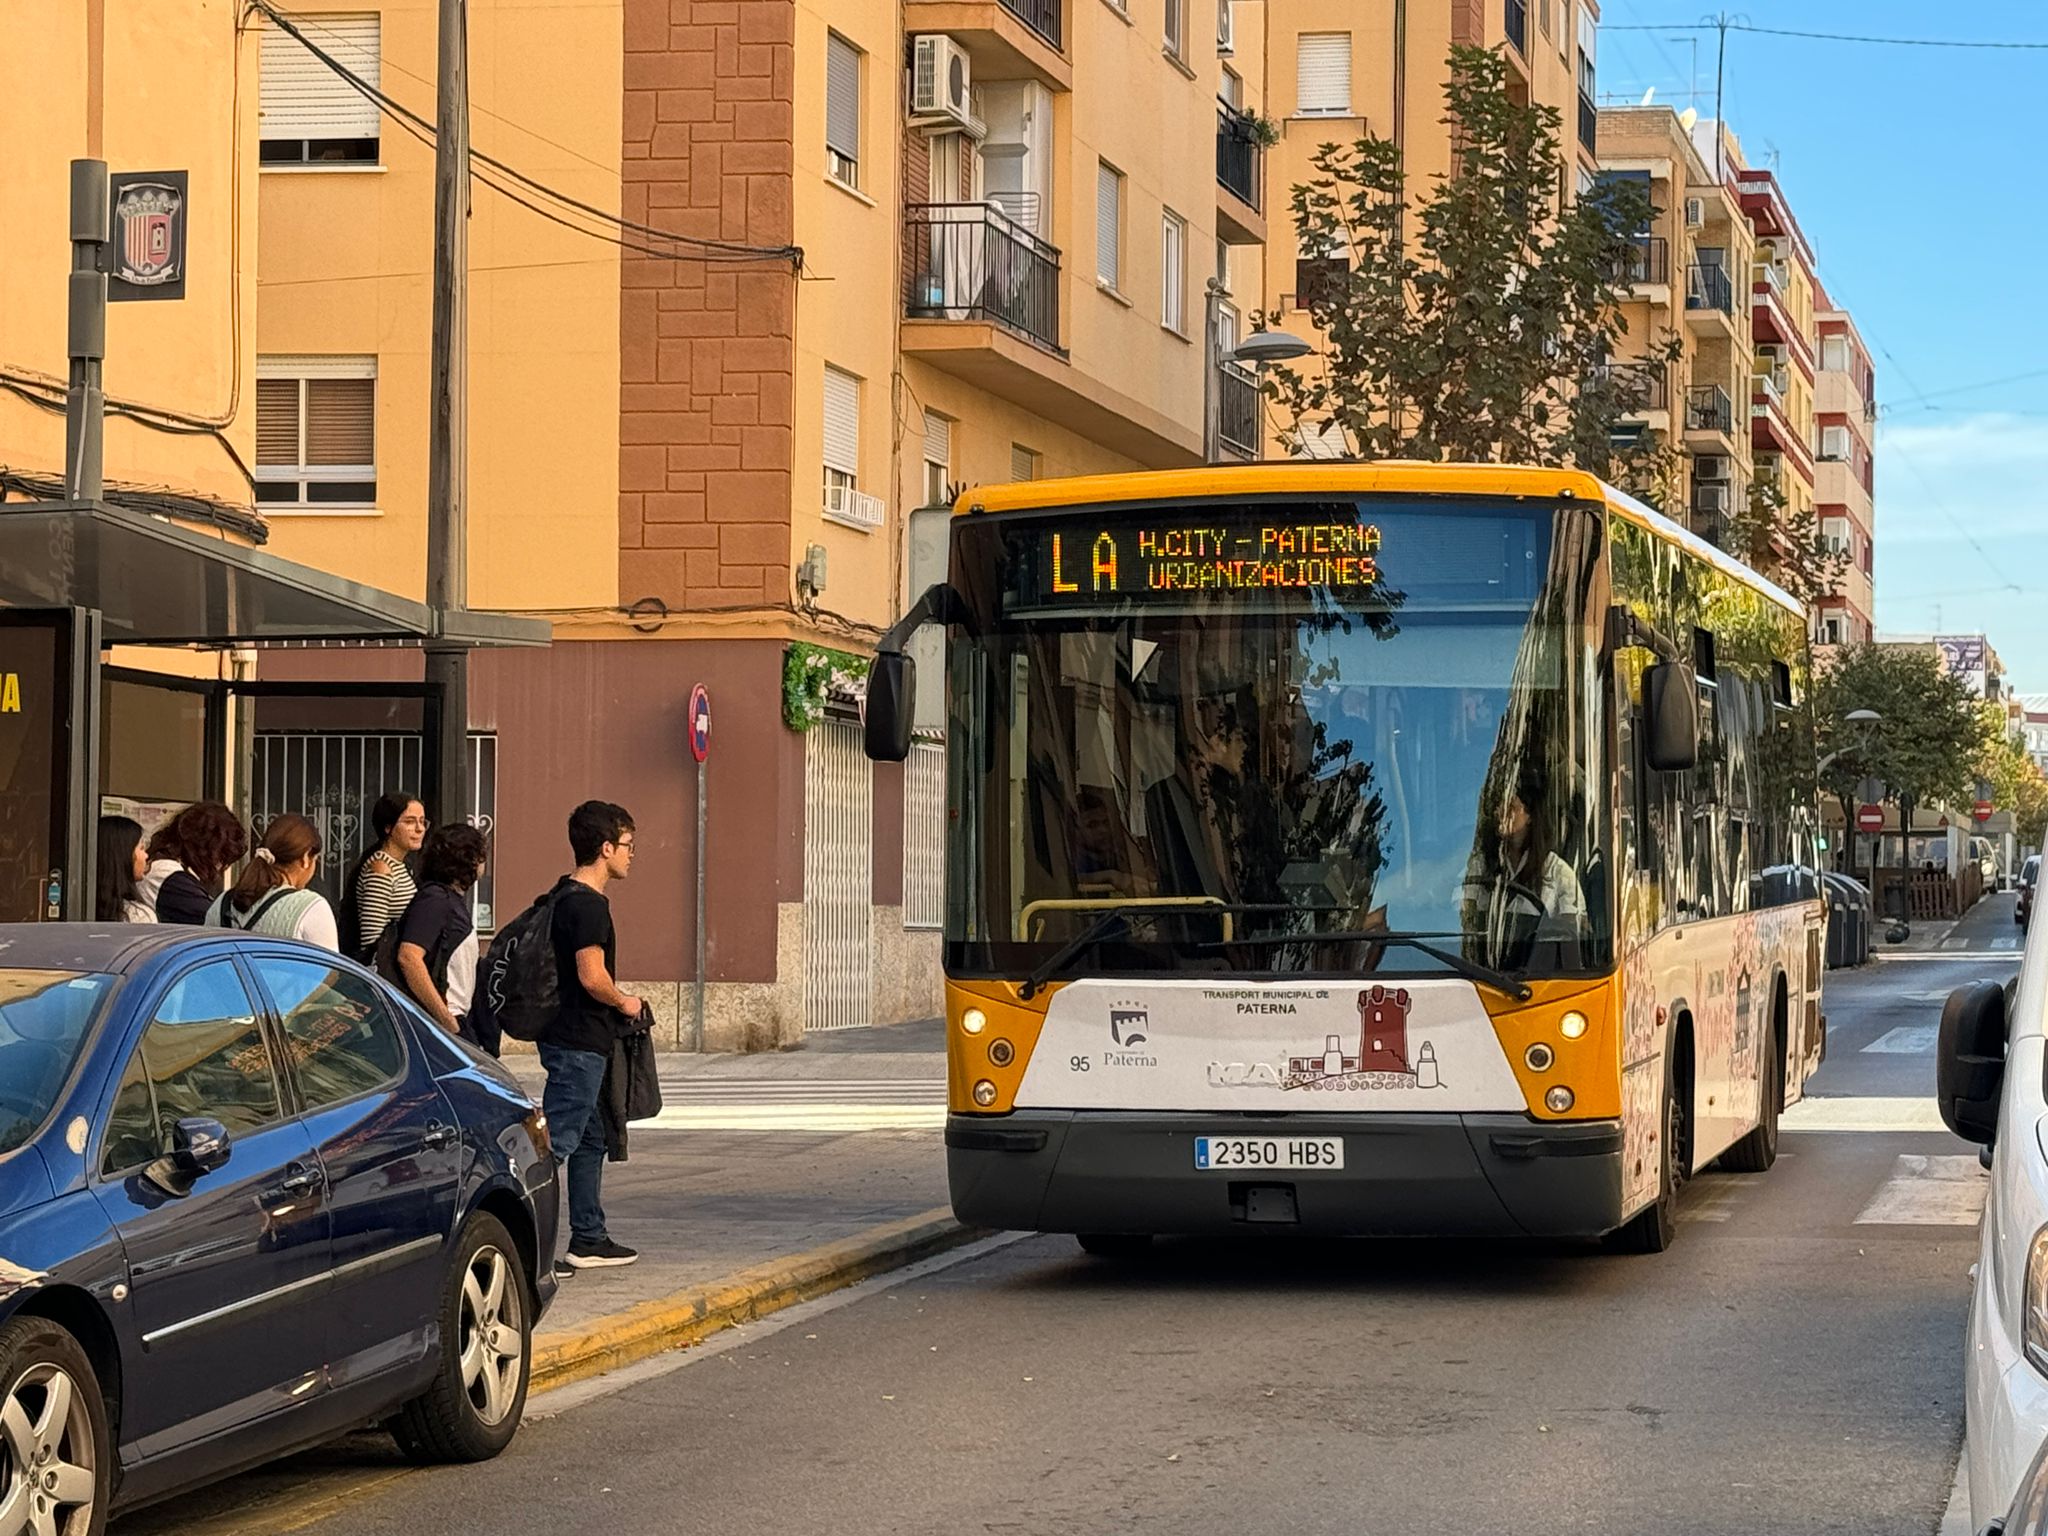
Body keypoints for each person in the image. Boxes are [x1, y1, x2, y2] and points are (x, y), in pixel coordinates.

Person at [540, 800, 643, 1272]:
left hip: (571, 1037)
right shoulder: (589, 906)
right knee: (555, 1143)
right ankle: (532, 1249)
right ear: (605, 848)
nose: (631, 854)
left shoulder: (561, 895)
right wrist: (624, 1001)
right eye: (626, 845)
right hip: (579, 1041)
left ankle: (588, 1236)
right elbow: (591, 975)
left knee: (588, 1138)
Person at [395, 823, 493, 1053]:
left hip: (452, 1020)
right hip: (442, 1023)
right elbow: (409, 957)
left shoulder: (449, 900)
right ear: (468, 860)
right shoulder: (435, 899)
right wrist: (446, 1020)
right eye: (480, 857)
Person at [204, 813, 340, 949]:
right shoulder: (311, 907)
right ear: (305, 858)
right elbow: (330, 969)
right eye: (315, 859)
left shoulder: (221, 904)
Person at [344, 792, 427, 961]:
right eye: (410, 822)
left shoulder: (401, 865)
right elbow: (371, 939)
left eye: (422, 821)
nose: (419, 829)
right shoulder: (380, 869)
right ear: (388, 827)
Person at [145, 802, 249, 925]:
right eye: (222, 857)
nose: (223, 867)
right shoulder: (168, 875)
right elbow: (213, 920)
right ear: (205, 848)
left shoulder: (165, 869)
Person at [95, 815, 157, 924]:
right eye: (141, 848)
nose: (146, 855)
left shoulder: (80, 907)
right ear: (123, 855)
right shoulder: (138, 916)